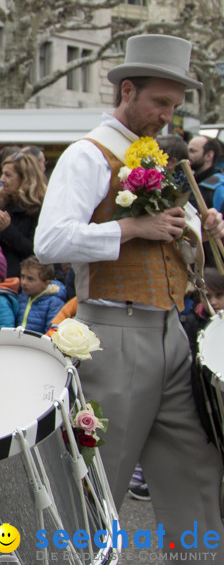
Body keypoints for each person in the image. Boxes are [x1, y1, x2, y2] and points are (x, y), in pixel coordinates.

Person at [35, 33, 224, 551]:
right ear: (128, 91)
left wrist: (203, 228)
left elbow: (174, 242)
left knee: (197, 470)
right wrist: (129, 230)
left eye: (174, 106)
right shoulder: (86, 155)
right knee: (100, 482)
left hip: (171, 332)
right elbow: (49, 240)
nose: (168, 115)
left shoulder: (150, 159)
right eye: (160, 102)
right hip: (112, 333)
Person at [0, 151, 48, 278]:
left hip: (23, 282)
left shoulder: (40, 208)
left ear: (25, 178)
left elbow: (35, 251)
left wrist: (8, 231)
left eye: (8, 175)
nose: (1, 179)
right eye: (2, 174)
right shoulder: (0, 204)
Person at [14, 256, 65, 333]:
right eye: (22, 276)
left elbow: (52, 332)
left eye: (30, 279)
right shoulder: (22, 298)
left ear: (46, 283)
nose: (24, 282)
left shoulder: (54, 303)